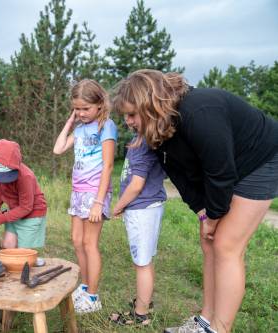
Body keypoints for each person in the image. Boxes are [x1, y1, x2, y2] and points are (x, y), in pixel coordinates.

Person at [111, 69, 278, 333]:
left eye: (132, 114)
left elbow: (220, 173)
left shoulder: (199, 112)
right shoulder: (159, 128)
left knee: (226, 245)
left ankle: (219, 329)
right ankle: (205, 321)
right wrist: (203, 212)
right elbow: (179, 174)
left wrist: (214, 215)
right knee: (209, 240)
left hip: (263, 160)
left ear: (150, 105)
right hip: (229, 168)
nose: (128, 122)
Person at [53, 79, 118, 314]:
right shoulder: (79, 128)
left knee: (90, 243)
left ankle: (93, 296)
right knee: (77, 240)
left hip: (94, 193)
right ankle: (84, 285)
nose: (81, 113)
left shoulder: (106, 126)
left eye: (85, 109)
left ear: (100, 105)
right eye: (77, 108)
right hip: (78, 191)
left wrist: (98, 203)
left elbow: (108, 165)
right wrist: (70, 122)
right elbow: (58, 149)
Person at [109, 135, 167, 326]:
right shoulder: (144, 138)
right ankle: (144, 303)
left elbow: (136, 185)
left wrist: (118, 206)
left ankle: (140, 315)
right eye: (126, 115)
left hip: (141, 208)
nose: (128, 120)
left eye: (132, 114)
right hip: (148, 205)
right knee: (145, 260)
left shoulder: (144, 142)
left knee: (141, 262)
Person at [0, 139, 48, 259]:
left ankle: (24, 271)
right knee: (8, 246)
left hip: (31, 214)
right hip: (15, 211)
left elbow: (26, 207)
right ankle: (11, 272)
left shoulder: (25, 177)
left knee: (23, 253)